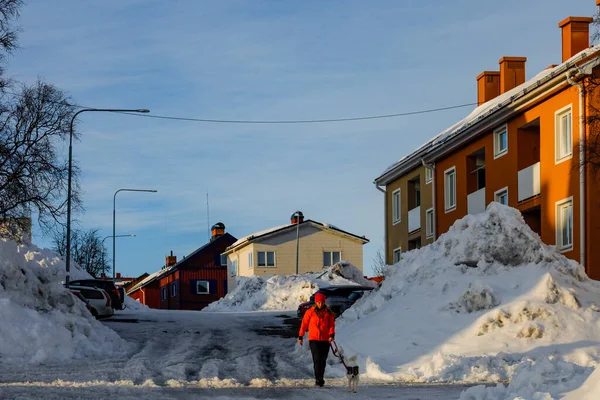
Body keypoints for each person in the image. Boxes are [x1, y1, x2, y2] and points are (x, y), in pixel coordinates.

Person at [298, 292, 336, 387]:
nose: (320, 304)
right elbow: (304, 324)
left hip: (325, 340)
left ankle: (321, 377)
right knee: (317, 359)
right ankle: (318, 379)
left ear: (324, 302)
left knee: (323, 360)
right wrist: (300, 336)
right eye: (318, 302)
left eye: (322, 302)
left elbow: (331, 325)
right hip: (314, 339)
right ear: (316, 302)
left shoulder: (328, 313)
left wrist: (331, 335)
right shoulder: (310, 312)